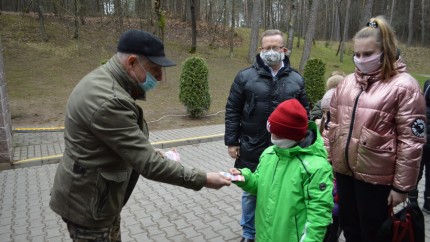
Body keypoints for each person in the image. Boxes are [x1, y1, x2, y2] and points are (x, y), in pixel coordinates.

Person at [49, 30, 231, 242]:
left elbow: (116, 141)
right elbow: (149, 165)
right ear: (132, 62)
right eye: (155, 70)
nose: (161, 78)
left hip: (97, 198)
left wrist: (149, 151)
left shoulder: (106, 81)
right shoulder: (109, 100)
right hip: (88, 205)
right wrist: (205, 178)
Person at [327, 16, 426, 242]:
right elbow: (332, 124)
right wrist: (331, 161)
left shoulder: (404, 86)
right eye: (358, 54)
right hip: (345, 175)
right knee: (351, 230)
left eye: (368, 54)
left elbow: (411, 143)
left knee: (375, 234)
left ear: (386, 51)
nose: (361, 59)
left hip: (377, 182)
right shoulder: (347, 82)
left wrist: (402, 187)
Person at [224, 29, 309, 242]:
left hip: (285, 149)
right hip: (252, 145)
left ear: (284, 50)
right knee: (251, 192)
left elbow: (304, 112)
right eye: (266, 48)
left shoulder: (296, 79)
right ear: (260, 50)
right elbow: (233, 110)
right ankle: (249, 234)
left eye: (275, 47)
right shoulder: (245, 77)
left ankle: (276, 231)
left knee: (282, 191)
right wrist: (232, 141)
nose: (271, 51)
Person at [228, 99, 334, 242]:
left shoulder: (315, 167)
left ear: (292, 135)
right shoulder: (269, 153)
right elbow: (258, 184)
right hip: (265, 235)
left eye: (277, 134)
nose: (273, 138)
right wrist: (244, 177)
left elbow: (319, 213)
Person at [408, 79, 430, 213]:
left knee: (416, 173)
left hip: (421, 146)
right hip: (422, 146)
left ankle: (412, 200)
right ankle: (427, 202)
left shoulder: (419, 108)